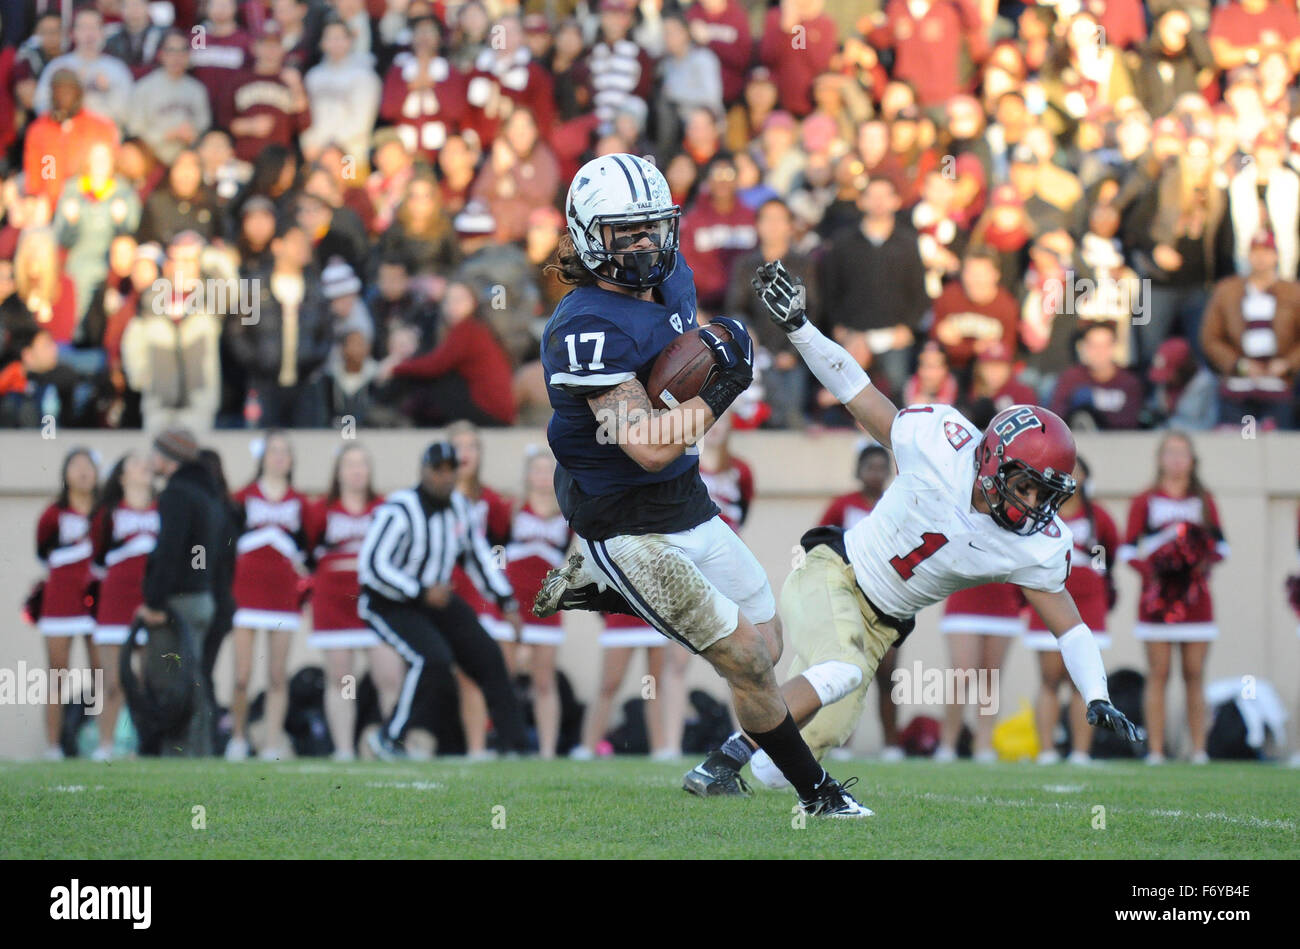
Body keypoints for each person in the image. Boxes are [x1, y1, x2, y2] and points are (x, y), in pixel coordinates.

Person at [683, 260, 1142, 803]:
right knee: (843, 668)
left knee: (806, 749)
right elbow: (859, 392)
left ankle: (740, 796)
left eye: (1046, 494)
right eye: (1026, 486)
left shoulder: (1032, 544)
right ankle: (720, 762)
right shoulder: (940, 446)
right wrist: (801, 327)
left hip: (884, 625)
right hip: (836, 573)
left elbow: (1069, 625)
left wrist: (1096, 692)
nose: (1034, 505)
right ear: (993, 461)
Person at [535, 153, 869, 816]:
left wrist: (713, 364)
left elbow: (674, 381)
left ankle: (608, 593)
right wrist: (722, 387)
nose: (644, 244)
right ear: (584, 234)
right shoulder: (583, 325)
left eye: (652, 227)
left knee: (768, 648)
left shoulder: (674, 278)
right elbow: (648, 446)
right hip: (624, 519)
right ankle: (819, 795)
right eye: (623, 232)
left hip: (687, 499)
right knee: (745, 656)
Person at [357, 441, 528, 759]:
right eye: (439, 470)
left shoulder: (460, 508)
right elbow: (372, 566)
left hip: (435, 599)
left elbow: (477, 557)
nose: (445, 478)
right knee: (431, 659)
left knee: (488, 654)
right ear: (423, 471)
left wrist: (506, 602)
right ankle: (390, 738)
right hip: (389, 601)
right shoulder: (400, 509)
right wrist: (419, 590)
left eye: (452, 470)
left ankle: (515, 746)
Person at [1119, 431, 1228, 764]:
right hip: (1156, 603)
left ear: (1192, 460)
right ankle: (1156, 749)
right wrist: (1155, 572)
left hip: (1196, 600)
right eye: (1170, 453)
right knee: (1159, 673)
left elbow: (1222, 547)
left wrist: (1196, 566)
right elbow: (1126, 549)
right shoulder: (1144, 500)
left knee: (1194, 673)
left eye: (1183, 453)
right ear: (1160, 458)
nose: (1177, 460)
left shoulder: (1204, 500)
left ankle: (1198, 749)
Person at [303, 445, 403, 761]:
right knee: (341, 677)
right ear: (338, 472)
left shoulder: (384, 507)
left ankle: (390, 743)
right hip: (333, 601)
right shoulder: (321, 509)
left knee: (390, 676)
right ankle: (344, 749)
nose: (357, 470)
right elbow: (305, 554)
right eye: (350, 464)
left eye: (362, 464)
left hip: (374, 601)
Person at [817, 442, 904, 761]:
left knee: (887, 674)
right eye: (870, 467)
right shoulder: (843, 505)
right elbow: (819, 542)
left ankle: (892, 743)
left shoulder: (896, 505)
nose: (876, 474)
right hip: (849, 599)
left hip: (889, 600)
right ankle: (842, 741)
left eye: (883, 467)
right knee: (849, 671)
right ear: (858, 471)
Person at [225, 431, 309, 761]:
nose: (279, 457)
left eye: (285, 451)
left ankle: (272, 742)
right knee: (243, 676)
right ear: (262, 457)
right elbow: (228, 542)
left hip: (282, 595)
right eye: (273, 450)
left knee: (276, 675)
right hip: (246, 592)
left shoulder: (300, 502)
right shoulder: (242, 496)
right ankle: (237, 737)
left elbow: (307, 547)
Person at [138, 429, 222, 756]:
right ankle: (198, 749)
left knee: (170, 679)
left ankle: (177, 750)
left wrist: (155, 601)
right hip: (203, 597)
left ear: (167, 457)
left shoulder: (176, 493)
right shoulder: (207, 492)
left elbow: (169, 551)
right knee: (194, 676)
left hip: (179, 602)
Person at [88, 451, 158, 761]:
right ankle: (106, 745)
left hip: (150, 604)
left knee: (147, 680)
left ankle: (144, 746)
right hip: (115, 604)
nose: (144, 466)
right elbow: (97, 559)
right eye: (136, 463)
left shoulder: (163, 509)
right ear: (122, 476)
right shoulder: (108, 512)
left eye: (147, 463)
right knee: (113, 681)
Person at [502, 449, 572, 759]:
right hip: (512, 604)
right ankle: (507, 743)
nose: (543, 477)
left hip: (545, 604)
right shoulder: (512, 510)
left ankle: (546, 750)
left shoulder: (567, 514)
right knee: (505, 675)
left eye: (549, 471)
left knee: (544, 680)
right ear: (527, 475)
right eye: (537, 470)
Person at [32, 447, 99, 760]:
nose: (83, 471)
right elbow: (42, 550)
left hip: (97, 602)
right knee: (57, 674)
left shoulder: (104, 512)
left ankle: (103, 741)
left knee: (102, 671)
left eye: (89, 465)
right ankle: (53, 746)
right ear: (65, 473)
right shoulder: (53, 514)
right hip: (60, 602)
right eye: (76, 465)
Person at [1200, 229, 1300, 429]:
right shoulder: (1227, 291)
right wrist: (1239, 364)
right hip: (1239, 382)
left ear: (1276, 256)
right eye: (1256, 252)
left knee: (1278, 444)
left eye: (1267, 252)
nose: (1261, 258)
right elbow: (1210, 337)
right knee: (1241, 441)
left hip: (1280, 382)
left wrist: (1288, 364)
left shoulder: (1293, 292)